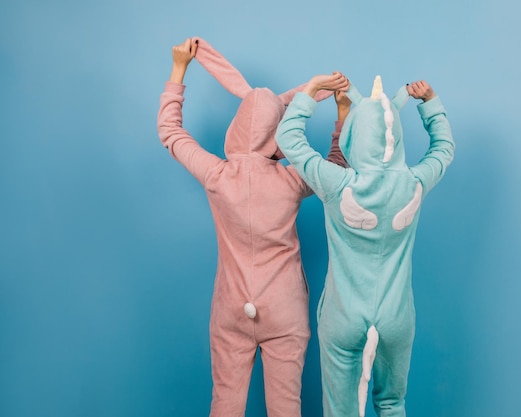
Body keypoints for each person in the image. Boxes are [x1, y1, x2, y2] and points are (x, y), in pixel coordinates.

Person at [156, 37, 349, 417]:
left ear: (238, 125)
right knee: (285, 408)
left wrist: (179, 69)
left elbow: (170, 132)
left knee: (225, 403)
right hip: (285, 309)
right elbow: (336, 170)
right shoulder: (292, 180)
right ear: (275, 132)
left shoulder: (216, 175)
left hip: (231, 308)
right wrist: (340, 117)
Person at [276, 74, 455, 417]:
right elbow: (444, 150)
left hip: (344, 316)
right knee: (391, 404)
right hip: (396, 317)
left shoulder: (336, 182)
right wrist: (431, 103)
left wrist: (311, 91)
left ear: (355, 136)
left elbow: (289, 138)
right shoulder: (414, 182)